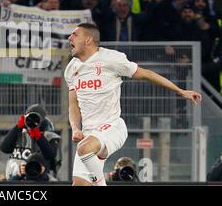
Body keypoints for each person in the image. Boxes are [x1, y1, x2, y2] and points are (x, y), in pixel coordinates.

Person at [65, 23, 202, 186]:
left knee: (83, 149)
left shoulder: (111, 58)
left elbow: (147, 74)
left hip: (112, 127)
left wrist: (180, 91)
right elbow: (73, 104)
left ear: (88, 40)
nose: (69, 38)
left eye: (74, 34)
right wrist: (75, 128)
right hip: (88, 134)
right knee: (79, 184)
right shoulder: (71, 69)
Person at [0, 104, 61, 181]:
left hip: (39, 178)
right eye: (30, 117)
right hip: (16, 176)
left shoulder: (47, 134)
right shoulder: (19, 132)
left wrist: (38, 136)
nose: (33, 120)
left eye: (36, 118)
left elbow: (51, 154)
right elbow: (4, 148)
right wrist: (18, 126)